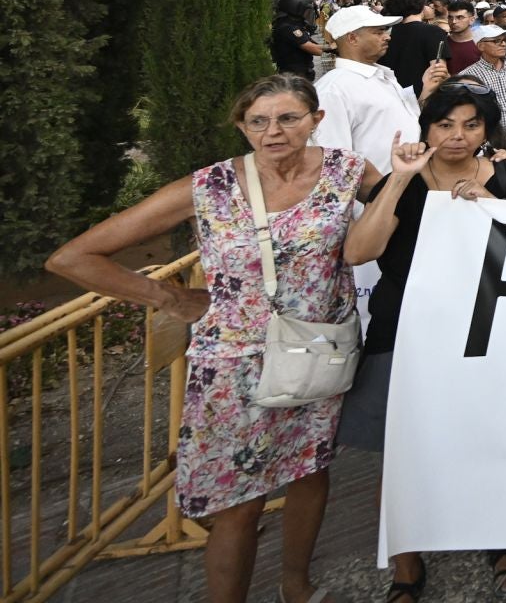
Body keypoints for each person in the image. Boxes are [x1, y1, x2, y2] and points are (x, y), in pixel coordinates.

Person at [47, 76, 368, 603]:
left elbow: (417, 208)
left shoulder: (348, 170)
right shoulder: (208, 187)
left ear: (316, 119)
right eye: (258, 122)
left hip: (316, 352)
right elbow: (73, 257)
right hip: (232, 369)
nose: (273, 132)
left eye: (288, 118)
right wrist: (168, 298)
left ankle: (297, 585)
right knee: (238, 503)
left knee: (310, 470)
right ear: (241, 127)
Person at [338, 83, 506, 602]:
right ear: (426, 128)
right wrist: (398, 181)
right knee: (402, 449)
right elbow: (359, 251)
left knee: (488, 437)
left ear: (486, 130)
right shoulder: (403, 182)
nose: (458, 136)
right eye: (445, 125)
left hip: (485, 332)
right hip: (407, 332)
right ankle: (406, 565)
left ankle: (498, 539)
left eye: (471, 125)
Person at [312, 4, 444, 179]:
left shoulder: (380, 75)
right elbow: (334, 163)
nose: (387, 37)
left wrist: (426, 90)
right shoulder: (333, 90)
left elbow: (395, 120)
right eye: (378, 32)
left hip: (398, 191)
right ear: (352, 38)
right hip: (373, 200)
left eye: (385, 31)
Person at [377, 0, 450, 92]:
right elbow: (438, 73)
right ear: (421, 7)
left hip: (389, 94)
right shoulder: (434, 32)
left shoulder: (384, 34)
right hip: (421, 97)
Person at [270, 0, 325, 78]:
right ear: (296, 9)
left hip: (298, 72)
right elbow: (314, 49)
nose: (307, 15)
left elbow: (313, 44)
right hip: (294, 75)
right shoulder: (288, 28)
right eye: (305, 11)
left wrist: (332, 47)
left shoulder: (293, 25)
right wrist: (335, 52)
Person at [442, 0, 481, 74]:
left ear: (472, 20)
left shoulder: (482, 44)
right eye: (450, 17)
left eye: (460, 17)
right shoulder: (442, 43)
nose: (454, 22)